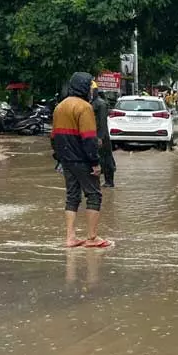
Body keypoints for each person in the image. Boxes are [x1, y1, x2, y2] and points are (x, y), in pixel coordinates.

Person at [51, 72, 111, 248]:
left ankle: (70, 238)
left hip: (66, 160)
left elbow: (54, 137)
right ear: (85, 88)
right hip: (83, 160)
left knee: (72, 196)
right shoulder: (84, 108)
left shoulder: (59, 107)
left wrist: (60, 157)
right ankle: (92, 238)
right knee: (94, 195)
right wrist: (95, 163)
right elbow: (89, 138)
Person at [91, 84, 116, 187]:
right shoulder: (91, 103)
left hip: (102, 136)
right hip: (94, 134)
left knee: (106, 159)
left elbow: (102, 122)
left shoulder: (100, 104)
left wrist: (100, 137)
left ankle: (109, 182)